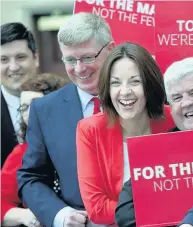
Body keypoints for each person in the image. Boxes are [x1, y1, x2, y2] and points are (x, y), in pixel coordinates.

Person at [17, 12, 115, 227]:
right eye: (70, 59)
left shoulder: (138, 96)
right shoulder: (45, 110)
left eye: (88, 57)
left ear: (110, 49)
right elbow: (31, 177)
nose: (79, 68)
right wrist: (58, 214)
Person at [76, 42, 175, 225]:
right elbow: (97, 208)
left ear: (150, 84)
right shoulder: (90, 130)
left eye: (135, 81)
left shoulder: (174, 119)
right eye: (115, 83)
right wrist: (162, 207)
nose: (125, 92)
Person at [115, 56, 193, 227]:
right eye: (177, 98)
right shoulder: (158, 150)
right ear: (170, 108)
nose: (186, 103)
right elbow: (125, 213)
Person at [1, 73, 66, 227]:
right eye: (24, 107)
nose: (28, 113)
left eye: (36, 104)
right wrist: (25, 215)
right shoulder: (21, 153)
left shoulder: (83, 141)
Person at [1, 22, 39, 167]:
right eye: (4, 59)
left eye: (20, 57)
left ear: (36, 58)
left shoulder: (60, 102)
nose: (14, 67)